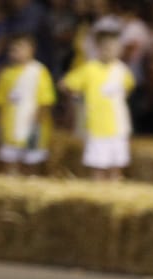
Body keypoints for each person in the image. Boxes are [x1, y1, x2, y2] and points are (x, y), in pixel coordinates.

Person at [58, 26, 132, 178]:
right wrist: (77, 99)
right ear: (98, 48)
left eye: (114, 47)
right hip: (96, 127)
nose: (110, 51)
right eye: (106, 47)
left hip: (119, 126)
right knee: (98, 166)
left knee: (116, 166)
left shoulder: (121, 70)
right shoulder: (89, 69)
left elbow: (128, 88)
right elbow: (65, 84)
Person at [0, 32, 55, 174]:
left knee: (31, 165)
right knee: (9, 164)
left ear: (31, 49)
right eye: (13, 49)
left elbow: (45, 101)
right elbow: (0, 102)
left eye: (21, 47)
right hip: (10, 130)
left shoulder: (39, 72)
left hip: (32, 128)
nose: (17, 52)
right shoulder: (5, 74)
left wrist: (35, 126)